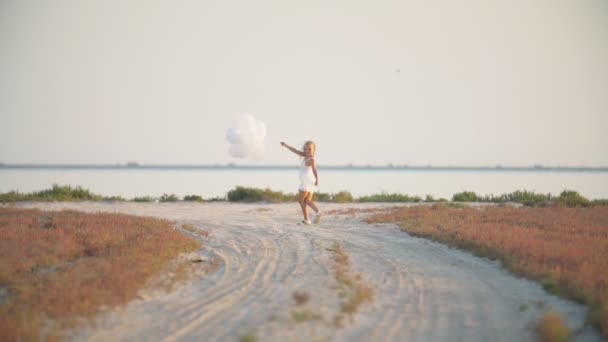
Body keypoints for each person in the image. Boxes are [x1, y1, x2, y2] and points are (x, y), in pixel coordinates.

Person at [280, 141, 321, 224]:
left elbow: (314, 170)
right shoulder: (305, 156)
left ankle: (307, 219)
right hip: (308, 181)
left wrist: (317, 179)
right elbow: (294, 150)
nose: (307, 151)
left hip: (306, 182)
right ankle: (317, 213)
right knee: (307, 201)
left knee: (300, 200)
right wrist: (285, 145)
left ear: (314, 150)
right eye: (306, 149)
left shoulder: (311, 160)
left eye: (309, 149)